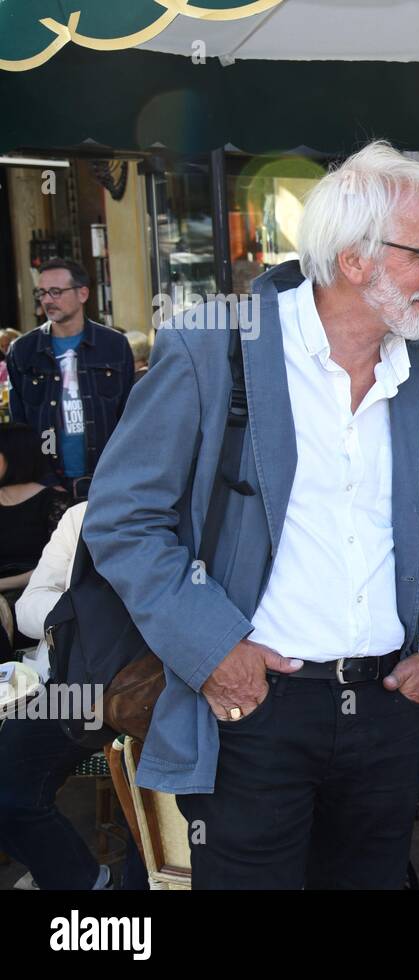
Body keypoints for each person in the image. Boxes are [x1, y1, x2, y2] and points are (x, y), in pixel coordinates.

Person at [81, 141, 419, 889]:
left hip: (390, 709)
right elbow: (122, 521)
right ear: (356, 259)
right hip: (255, 713)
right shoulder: (214, 348)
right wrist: (216, 650)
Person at [0, 501, 148, 891]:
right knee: (9, 781)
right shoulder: (82, 516)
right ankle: (78, 881)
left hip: (167, 687)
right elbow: (30, 610)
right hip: (75, 686)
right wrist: (90, 612)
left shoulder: (198, 510)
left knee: (157, 813)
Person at [5, 259, 134, 500]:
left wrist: (122, 475)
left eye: (56, 292)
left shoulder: (114, 345)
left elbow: (129, 416)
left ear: (82, 293)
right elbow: (20, 426)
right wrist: (44, 481)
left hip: (107, 482)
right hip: (47, 486)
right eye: (41, 292)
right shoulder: (23, 350)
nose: (47, 300)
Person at [0, 424, 61, 608]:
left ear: (15, 456)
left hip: (35, 598)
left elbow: (59, 568)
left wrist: (3, 585)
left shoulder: (55, 503)